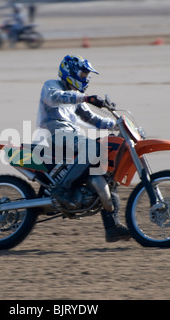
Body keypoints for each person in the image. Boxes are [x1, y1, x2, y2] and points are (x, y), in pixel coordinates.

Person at [36, 54, 132, 242]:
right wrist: (86, 97)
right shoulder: (52, 86)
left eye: (87, 74)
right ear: (69, 71)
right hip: (56, 134)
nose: (85, 78)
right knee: (93, 149)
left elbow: (92, 118)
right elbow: (57, 98)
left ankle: (112, 227)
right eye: (82, 72)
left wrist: (116, 125)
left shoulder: (76, 99)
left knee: (106, 168)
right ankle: (62, 190)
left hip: (72, 136)